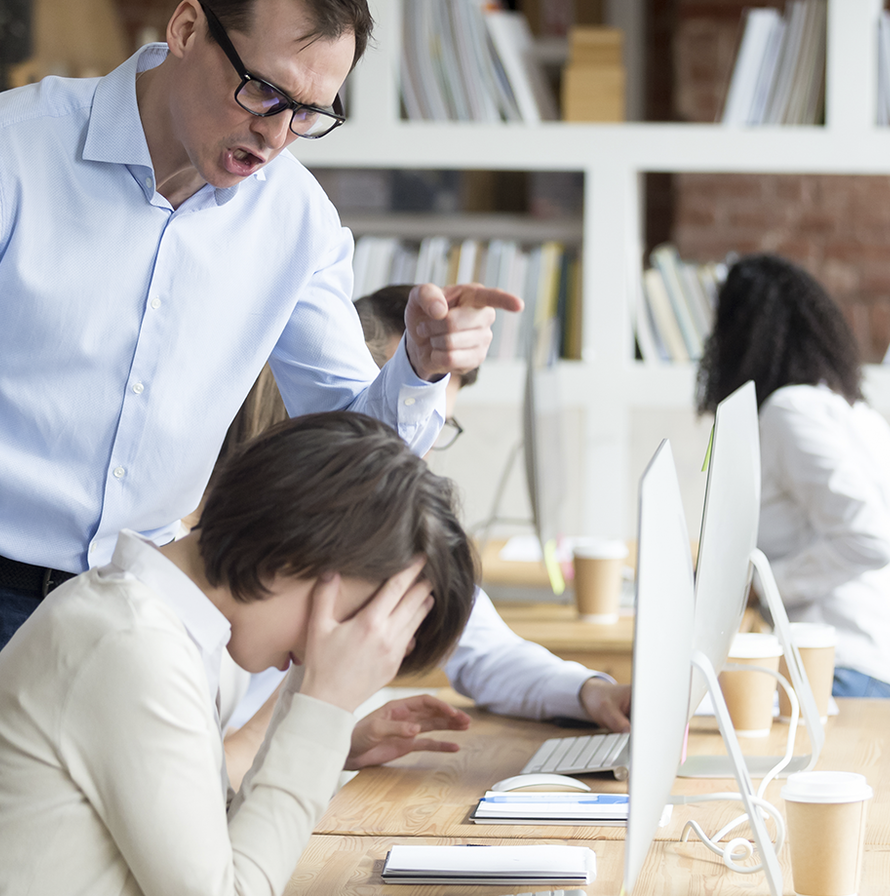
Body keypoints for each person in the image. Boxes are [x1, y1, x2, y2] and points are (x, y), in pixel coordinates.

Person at [0, 0, 519, 896]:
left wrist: (418, 373)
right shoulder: (3, 150)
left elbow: (353, 456)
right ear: (188, 28)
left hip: (139, 619)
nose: (276, 134)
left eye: (311, 113)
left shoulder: (297, 222)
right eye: (264, 90)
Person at [0, 412, 477, 896]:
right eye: (358, 620)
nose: (341, 646)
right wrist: (322, 706)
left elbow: (211, 839)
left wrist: (322, 720)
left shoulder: (168, 628)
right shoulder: (130, 645)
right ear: (306, 552)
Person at [220, 282, 633, 745]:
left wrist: (592, 692)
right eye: (409, 425)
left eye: (435, 429)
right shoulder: (232, 548)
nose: (417, 458)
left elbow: (481, 650)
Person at [697, 254, 890, 700]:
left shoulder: (789, 412)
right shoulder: (855, 413)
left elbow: (872, 539)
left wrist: (761, 588)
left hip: (852, 671)